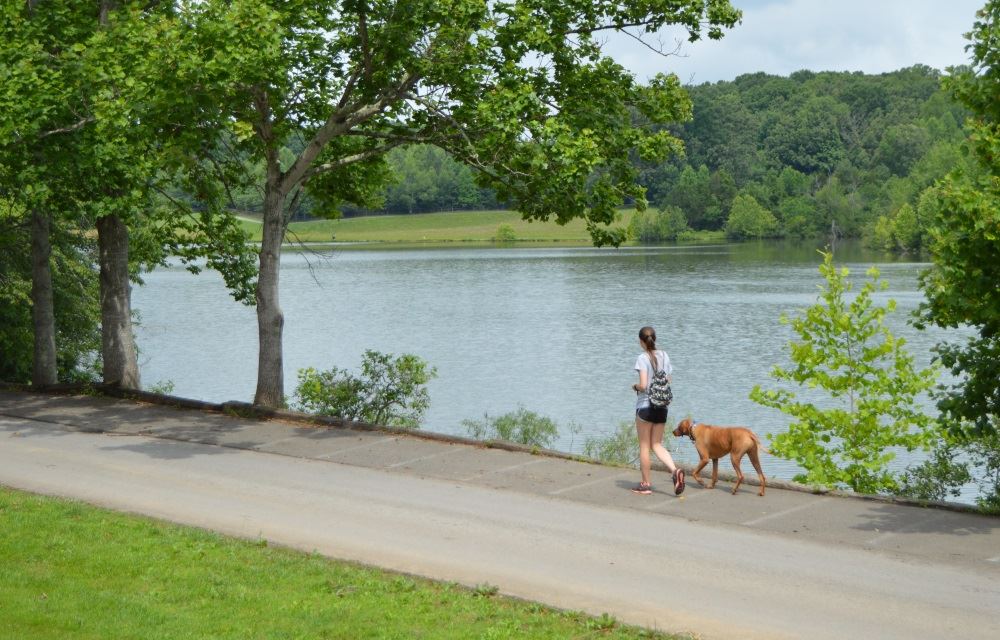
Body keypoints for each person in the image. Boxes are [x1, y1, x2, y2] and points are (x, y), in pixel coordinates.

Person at [631, 326, 685, 495]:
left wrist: (635, 386)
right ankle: (674, 470)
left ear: (641, 341)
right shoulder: (664, 355)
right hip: (662, 407)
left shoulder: (642, 358)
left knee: (645, 446)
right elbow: (668, 379)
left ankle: (646, 484)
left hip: (645, 407)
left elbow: (644, 385)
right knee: (657, 444)